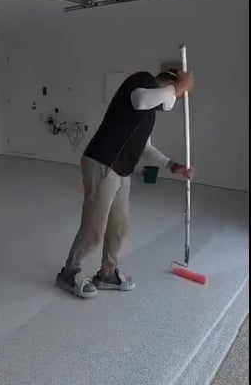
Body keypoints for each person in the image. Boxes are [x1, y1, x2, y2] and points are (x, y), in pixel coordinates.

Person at [56, 68, 195, 298]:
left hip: (122, 171)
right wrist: (178, 87)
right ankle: (69, 273)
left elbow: (146, 148)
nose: (174, 99)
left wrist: (171, 165)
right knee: (94, 226)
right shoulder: (142, 81)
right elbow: (140, 100)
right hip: (102, 161)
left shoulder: (149, 113)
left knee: (118, 227)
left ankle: (107, 274)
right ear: (168, 81)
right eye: (176, 94)